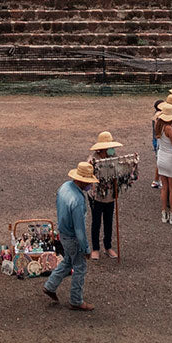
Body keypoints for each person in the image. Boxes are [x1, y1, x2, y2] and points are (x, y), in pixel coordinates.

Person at [41, 159, 97, 311]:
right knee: (80, 267)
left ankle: (50, 285)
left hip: (63, 232)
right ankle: (76, 300)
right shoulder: (78, 200)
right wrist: (86, 248)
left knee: (68, 261)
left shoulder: (65, 187)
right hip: (72, 237)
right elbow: (80, 229)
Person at [89, 131, 120, 259]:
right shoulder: (93, 160)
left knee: (108, 221)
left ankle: (108, 246)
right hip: (96, 196)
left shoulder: (113, 156)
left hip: (110, 195)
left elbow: (118, 172)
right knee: (96, 222)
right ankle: (95, 248)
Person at [154, 102, 172, 224]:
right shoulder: (169, 128)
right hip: (170, 158)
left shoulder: (158, 125)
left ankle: (164, 212)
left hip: (161, 156)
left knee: (164, 187)